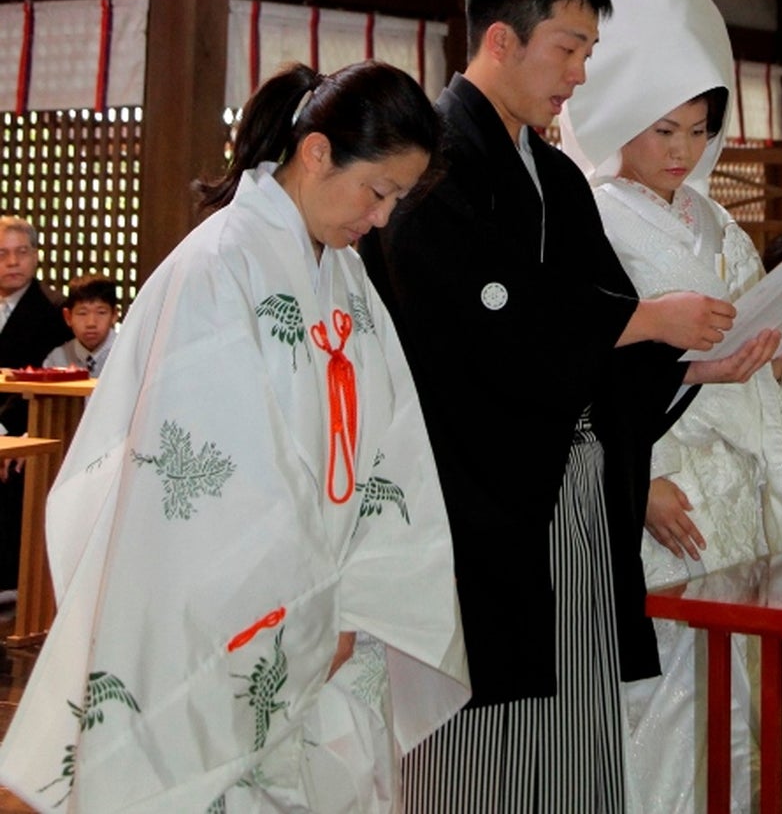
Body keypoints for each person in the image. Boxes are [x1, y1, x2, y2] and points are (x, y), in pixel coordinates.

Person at [361, 0, 769, 814]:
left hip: (575, 493)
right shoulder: (435, 164)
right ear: (502, 40)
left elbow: (607, 328)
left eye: (590, 52)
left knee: (577, 720)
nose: (582, 74)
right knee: (483, 736)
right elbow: (488, 316)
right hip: (481, 497)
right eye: (570, 48)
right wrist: (652, 322)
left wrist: (701, 363)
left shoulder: (552, 175)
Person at [0, 61, 469, 814]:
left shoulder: (344, 277)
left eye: (397, 200)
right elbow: (206, 469)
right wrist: (314, 605)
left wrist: (357, 599)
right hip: (242, 613)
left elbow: (390, 446)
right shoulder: (218, 266)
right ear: (316, 152)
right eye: (378, 191)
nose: (381, 218)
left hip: (335, 604)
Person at [562, 0, 782, 814]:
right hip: (666, 492)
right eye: (661, 127)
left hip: (746, 495)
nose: (680, 148)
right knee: (675, 700)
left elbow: (745, 349)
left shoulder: (717, 223)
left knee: (754, 693)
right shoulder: (590, 220)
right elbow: (581, 365)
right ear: (616, 121)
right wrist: (637, 482)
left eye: (697, 128)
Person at [0, 215, 67, 591]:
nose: (12, 262)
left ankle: (12, 583)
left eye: (21, 252)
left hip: (26, 425)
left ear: (36, 256)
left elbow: (42, 381)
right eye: (3, 254)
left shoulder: (52, 312)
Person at [42, 275, 121, 374]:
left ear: (114, 315)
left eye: (101, 312)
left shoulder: (130, 354)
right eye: (82, 313)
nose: (91, 323)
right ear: (68, 317)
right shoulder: (57, 359)